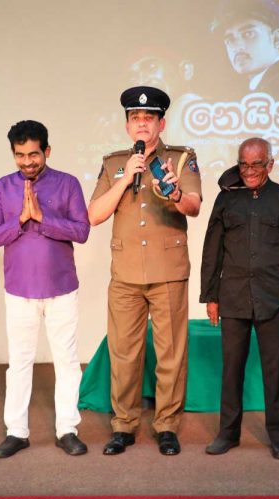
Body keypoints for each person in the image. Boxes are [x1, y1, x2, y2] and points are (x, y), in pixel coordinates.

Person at [88, 86, 202, 456]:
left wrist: (174, 194)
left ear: (161, 123)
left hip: (167, 271)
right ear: (127, 125)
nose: (142, 123)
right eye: (135, 118)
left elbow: (194, 206)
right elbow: (94, 215)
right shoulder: (113, 164)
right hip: (125, 275)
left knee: (170, 354)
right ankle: (123, 426)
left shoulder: (180, 159)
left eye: (149, 117)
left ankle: (167, 426)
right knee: (124, 353)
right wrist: (125, 179)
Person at [199, 137, 279, 460]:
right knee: (231, 369)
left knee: (275, 370)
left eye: (256, 164)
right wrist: (210, 296)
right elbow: (212, 249)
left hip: (273, 296)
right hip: (233, 296)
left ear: (270, 165)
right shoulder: (226, 199)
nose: (249, 171)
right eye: (244, 164)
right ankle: (227, 434)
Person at [0, 120, 90, 458]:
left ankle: (67, 429)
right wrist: (19, 220)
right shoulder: (2, 188)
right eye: (20, 155)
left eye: (33, 154)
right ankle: (16, 432)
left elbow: (82, 231)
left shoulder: (68, 184)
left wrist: (42, 217)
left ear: (47, 150)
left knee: (67, 362)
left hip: (62, 288)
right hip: (19, 290)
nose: (27, 162)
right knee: (19, 363)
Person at [211, 0, 279, 100]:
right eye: (230, 40)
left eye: (249, 34)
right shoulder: (260, 86)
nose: (238, 46)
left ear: (276, 39)